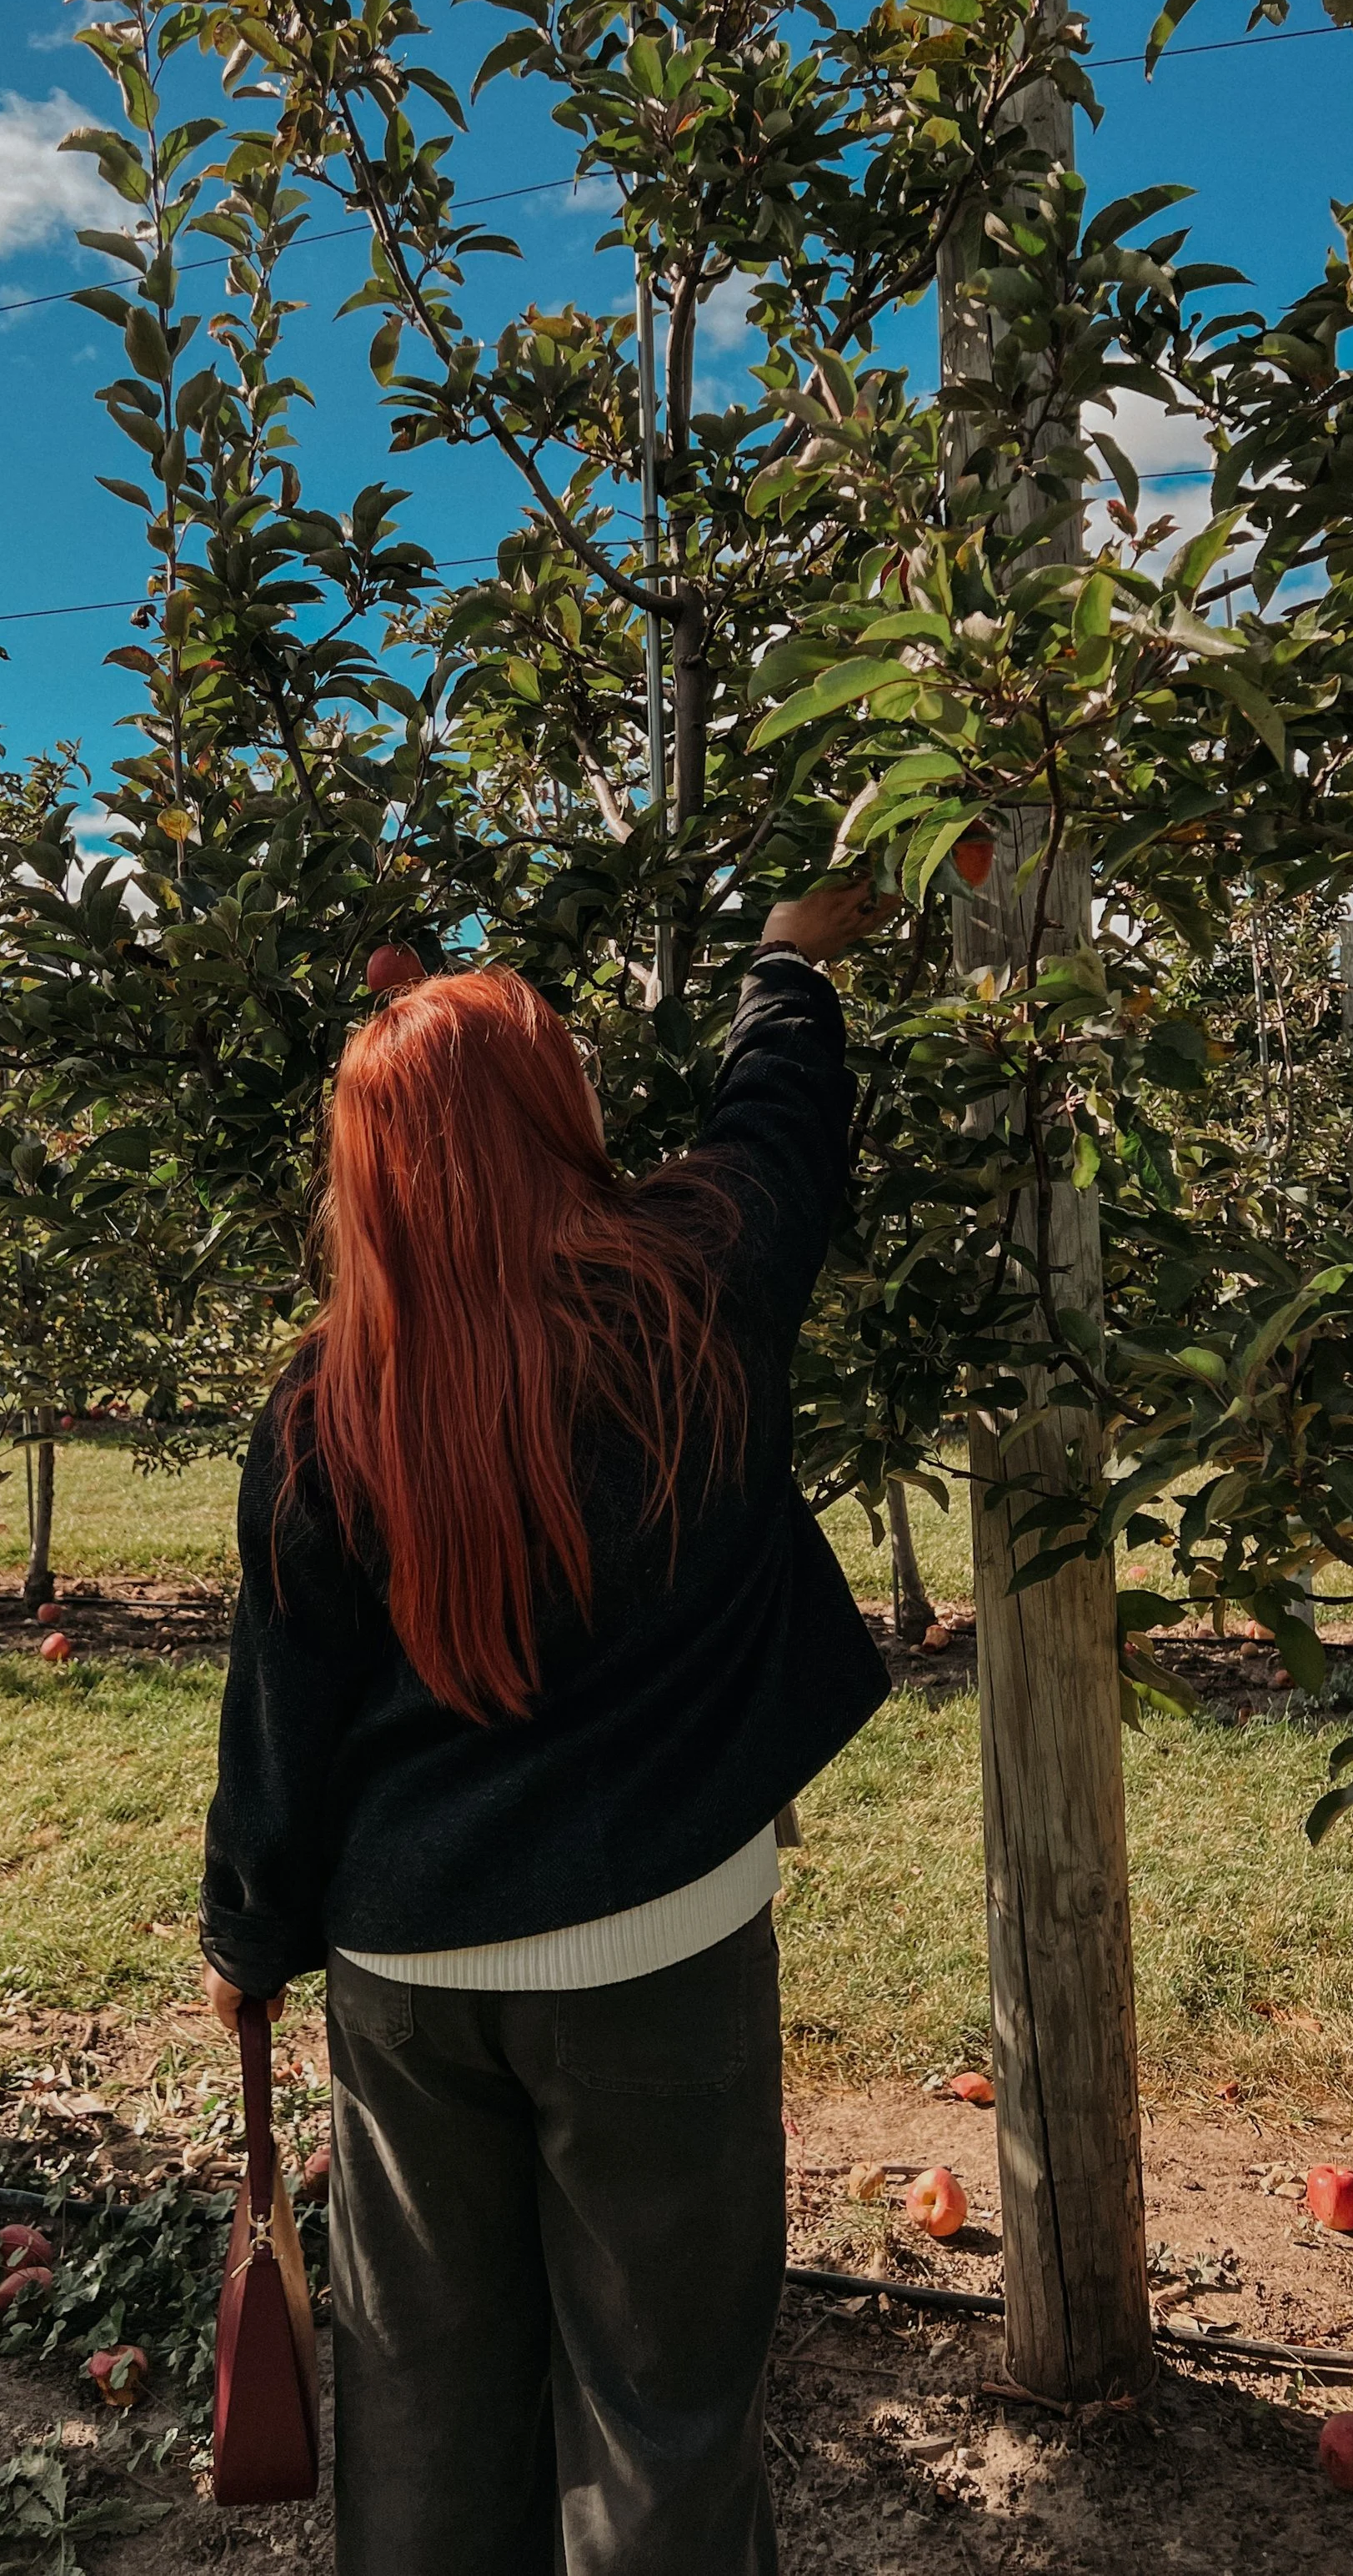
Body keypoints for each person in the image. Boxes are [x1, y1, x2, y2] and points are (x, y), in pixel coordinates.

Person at [199, 882, 894, 2575]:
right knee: (661, 2398)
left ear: (364, 1181)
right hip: (659, 1945)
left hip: (411, 1968)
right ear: (560, 1114)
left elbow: (280, 1714)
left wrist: (245, 1933)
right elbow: (775, 1109)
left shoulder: (325, 1410)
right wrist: (787, 961)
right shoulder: (694, 1291)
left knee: (426, 2390)